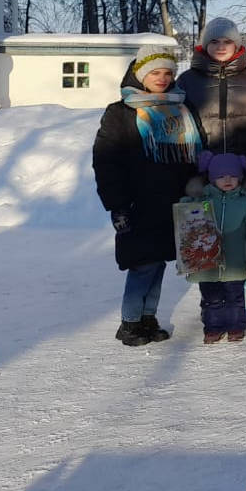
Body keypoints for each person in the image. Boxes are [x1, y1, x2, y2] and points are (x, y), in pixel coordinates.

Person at [93, 46, 205, 346]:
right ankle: (129, 322)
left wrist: (199, 184)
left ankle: (148, 318)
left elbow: (197, 150)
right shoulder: (120, 112)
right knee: (142, 264)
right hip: (137, 202)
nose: (162, 78)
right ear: (142, 74)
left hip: (174, 201)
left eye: (168, 72)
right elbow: (106, 160)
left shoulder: (183, 108)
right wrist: (116, 204)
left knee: (159, 263)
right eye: (155, 72)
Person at [187, 151, 246, 344]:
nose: (227, 179)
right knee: (211, 298)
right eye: (221, 176)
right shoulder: (203, 202)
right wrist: (188, 206)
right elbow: (188, 216)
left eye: (233, 176)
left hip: (236, 260)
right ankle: (213, 327)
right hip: (207, 262)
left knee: (236, 297)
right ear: (212, 179)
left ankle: (237, 326)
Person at [177, 16, 246, 155]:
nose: (221, 47)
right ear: (206, 45)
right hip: (201, 160)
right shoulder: (187, 79)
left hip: (244, 160)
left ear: (236, 45)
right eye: (214, 41)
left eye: (227, 41)